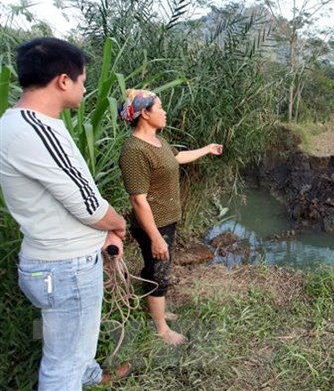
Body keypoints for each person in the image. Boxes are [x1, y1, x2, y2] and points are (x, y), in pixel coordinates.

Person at [0, 37, 130, 389]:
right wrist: (118, 225)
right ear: (62, 80)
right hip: (65, 268)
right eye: (83, 81)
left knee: (71, 341)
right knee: (62, 365)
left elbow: (62, 196)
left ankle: (89, 373)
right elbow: (87, 203)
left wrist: (101, 233)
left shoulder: (18, 123)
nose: (85, 89)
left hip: (54, 260)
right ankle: (77, 374)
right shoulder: (38, 130)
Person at [118, 89, 222, 345]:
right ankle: (161, 329)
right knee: (159, 273)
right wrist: (155, 237)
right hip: (154, 224)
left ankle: (155, 309)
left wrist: (207, 149)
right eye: (160, 107)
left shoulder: (157, 141)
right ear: (145, 113)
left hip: (166, 219)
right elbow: (138, 200)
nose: (165, 112)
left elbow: (177, 158)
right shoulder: (134, 150)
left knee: (155, 267)